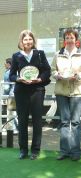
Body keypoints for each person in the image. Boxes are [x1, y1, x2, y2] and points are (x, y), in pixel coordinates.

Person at [9, 30, 51, 160]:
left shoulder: (40, 54)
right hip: (21, 91)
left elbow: (47, 70)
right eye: (25, 39)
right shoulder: (16, 56)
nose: (28, 42)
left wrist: (40, 79)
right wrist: (18, 79)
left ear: (33, 41)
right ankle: (23, 150)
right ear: (21, 42)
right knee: (22, 121)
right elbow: (11, 75)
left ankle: (35, 150)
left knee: (37, 121)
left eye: (30, 39)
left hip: (37, 91)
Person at [51, 28, 81, 161]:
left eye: (72, 37)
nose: (69, 40)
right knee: (65, 122)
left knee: (76, 122)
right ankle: (64, 151)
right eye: (67, 37)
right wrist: (58, 76)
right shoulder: (58, 54)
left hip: (77, 92)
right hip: (61, 91)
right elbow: (52, 71)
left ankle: (76, 152)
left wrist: (77, 76)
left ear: (76, 40)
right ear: (64, 40)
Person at [3, 58, 18, 134]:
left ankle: (12, 129)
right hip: (17, 93)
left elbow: (6, 87)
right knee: (16, 112)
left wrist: (4, 96)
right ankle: (17, 129)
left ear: (9, 64)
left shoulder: (7, 72)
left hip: (11, 95)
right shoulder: (16, 71)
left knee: (10, 113)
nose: (4, 64)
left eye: (5, 63)